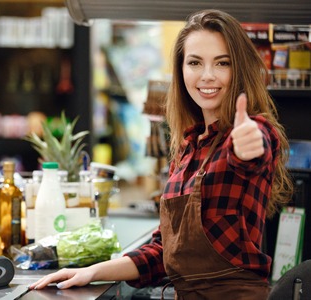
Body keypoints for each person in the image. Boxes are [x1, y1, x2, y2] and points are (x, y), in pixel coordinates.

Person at [29, 9, 294, 299]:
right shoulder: (189, 148)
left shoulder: (253, 131)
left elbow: (252, 151)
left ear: (239, 70)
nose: (207, 75)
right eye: (195, 62)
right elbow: (163, 252)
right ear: (181, 70)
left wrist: (248, 144)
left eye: (222, 63)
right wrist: (93, 271)